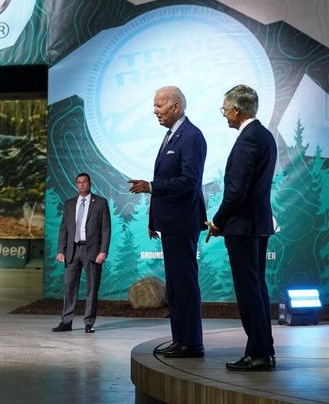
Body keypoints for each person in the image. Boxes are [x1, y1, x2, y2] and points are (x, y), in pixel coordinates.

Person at [128, 86, 207, 358]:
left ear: (176, 107)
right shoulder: (171, 136)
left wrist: (150, 186)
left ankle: (192, 343)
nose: (155, 110)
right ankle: (181, 339)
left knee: (184, 284)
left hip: (183, 222)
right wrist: (153, 219)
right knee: (175, 286)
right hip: (170, 223)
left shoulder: (192, 137)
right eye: (154, 105)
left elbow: (188, 182)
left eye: (159, 105)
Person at [206, 85, 277, 371]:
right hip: (256, 224)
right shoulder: (264, 136)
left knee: (249, 291)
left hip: (243, 227)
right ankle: (264, 349)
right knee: (257, 288)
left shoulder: (248, 140)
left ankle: (258, 353)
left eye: (224, 109)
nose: (223, 114)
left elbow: (236, 192)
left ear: (236, 110)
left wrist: (218, 221)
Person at [52, 173, 111, 334]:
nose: (82, 184)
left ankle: (89, 323)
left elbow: (106, 229)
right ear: (76, 185)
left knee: (92, 288)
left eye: (85, 182)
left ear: (90, 184)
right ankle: (66, 322)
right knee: (69, 288)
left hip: (92, 251)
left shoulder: (100, 202)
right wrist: (60, 250)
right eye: (79, 182)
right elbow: (63, 229)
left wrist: (103, 251)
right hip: (72, 250)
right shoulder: (69, 204)